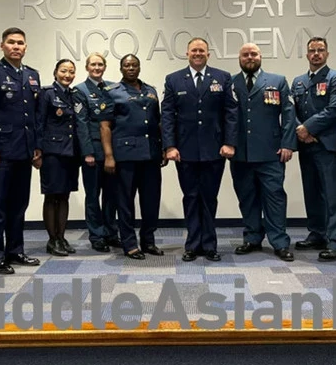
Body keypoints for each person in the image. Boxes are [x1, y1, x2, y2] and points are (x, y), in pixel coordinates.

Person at [161, 37, 238, 262]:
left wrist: (229, 142)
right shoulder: (173, 79)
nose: (197, 54)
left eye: (201, 50)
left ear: (208, 54)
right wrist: (170, 146)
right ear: (187, 53)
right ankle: (193, 245)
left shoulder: (222, 77)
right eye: (194, 50)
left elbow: (231, 112)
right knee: (191, 197)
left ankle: (210, 245)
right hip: (185, 151)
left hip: (215, 150)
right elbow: (167, 114)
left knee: (209, 197)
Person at [0, 27, 42, 274]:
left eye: (20, 43)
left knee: (18, 205)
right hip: (0, 151)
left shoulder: (32, 75)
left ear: (25, 47)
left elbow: (35, 116)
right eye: (11, 42)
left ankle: (15, 250)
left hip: (24, 150)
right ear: (2, 46)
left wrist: (36, 147)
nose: (16, 46)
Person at [229, 43, 297, 262]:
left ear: (260, 57)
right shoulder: (231, 83)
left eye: (254, 54)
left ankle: (280, 242)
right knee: (247, 197)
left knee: (275, 197)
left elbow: (288, 114)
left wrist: (288, 144)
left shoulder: (278, 81)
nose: (250, 57)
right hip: (240, 153)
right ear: (239, 58)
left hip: (271, 153)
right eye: (245, 54)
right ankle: (252, 238)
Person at [100, 54, 166, 260]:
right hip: (125, 156)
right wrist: (109, 156)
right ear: (121, 69)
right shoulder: (112, 92)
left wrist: (163, 148)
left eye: (134, 65)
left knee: (151, 201)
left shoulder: (151, 90)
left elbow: (158, 122)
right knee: (125, 202)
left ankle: (148, 241)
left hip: (151, 154)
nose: (131, 68)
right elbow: (105, 126)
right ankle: (129, 244)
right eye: (127, 65)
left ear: (139, 67)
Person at [291, 36, 336, 262]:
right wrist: (300, 130)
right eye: (312, 50)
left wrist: (307, 128)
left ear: (327, 54)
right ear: (307, 54)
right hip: (306, 145)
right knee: (312, 192)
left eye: (320, 50)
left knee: (333, 195)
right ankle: (317, 234)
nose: (316, 54)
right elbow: (291, 110)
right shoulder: (298, 82)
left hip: (326, 145)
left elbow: (335, 109)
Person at [36, 59, 93, 256]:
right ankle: (52, 240)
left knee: (64, 196)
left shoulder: (74, 95)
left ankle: (61, 237)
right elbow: (39, 123)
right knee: (52, 196)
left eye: (71, 72)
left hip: (71, 153)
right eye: (63, 71)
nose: (67, 75)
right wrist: (37, 150)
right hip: (52, 152)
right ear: (55, 72)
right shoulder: (47, 94)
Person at [73, 53, 122, 252]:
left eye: (100, 64)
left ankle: (111, 232)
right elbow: (81, 124)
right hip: (92, 151)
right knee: (93, 196)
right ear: (87, 67)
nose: (97, 67)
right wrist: (87, 152)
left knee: (112, 195)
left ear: (105, 67)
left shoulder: (113, 88)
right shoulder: (80, 90)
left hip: (112, 151)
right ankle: (97, 235)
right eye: (93, 64)